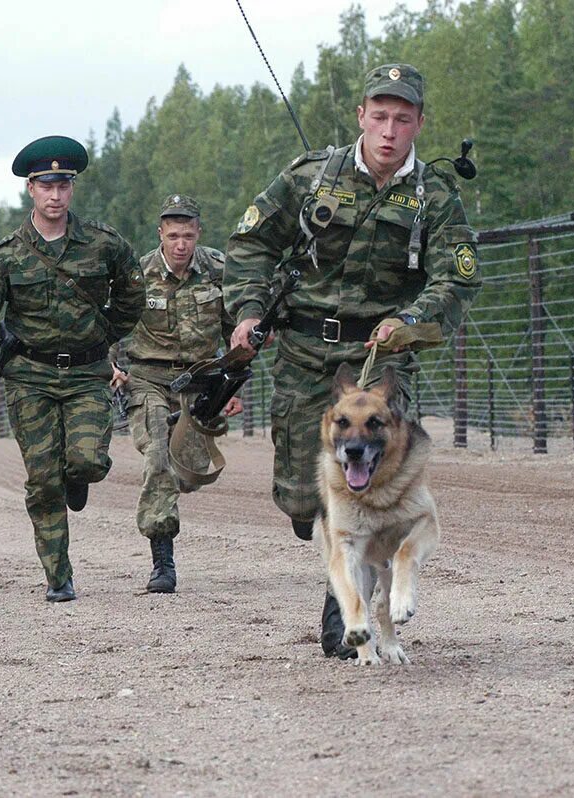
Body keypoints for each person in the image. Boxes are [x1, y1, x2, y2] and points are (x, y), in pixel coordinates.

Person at [223, 64, 482, 658]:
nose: (390, 130)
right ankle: (322, 527)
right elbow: (251, 244)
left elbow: (457, 279)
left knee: (367, 484)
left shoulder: (435, 198)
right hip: (304, 354)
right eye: (380, 115)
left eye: (403, 118)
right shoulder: (313, 176)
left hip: (380, 362)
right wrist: (247, 309)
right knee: (300, 495)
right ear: (361, 115)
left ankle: (345, 612)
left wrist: (411, 323)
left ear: (418, 123)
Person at [0, 135, 144, 603]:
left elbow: (133, 295)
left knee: (87, 460)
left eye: (63, 185)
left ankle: (78, 475)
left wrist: (103, 337)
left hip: (85, 375)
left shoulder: (103, 245)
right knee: (42, 479)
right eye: (45, 185)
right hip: (29, 378)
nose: (55, 195)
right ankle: (58, 575)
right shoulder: (8, 256)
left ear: (71, 189)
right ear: (30, 190)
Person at [109, 194, 241, 594]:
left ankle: (176, 470)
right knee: (157, 457)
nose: (181, 244)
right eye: (173, 236)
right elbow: (112, 323)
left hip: (200, 381)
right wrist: (112, 365)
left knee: (189, 472)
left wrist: (233, 384)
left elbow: (235, 331)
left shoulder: (218, 269)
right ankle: (162, 558)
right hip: (148, 378)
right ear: (160, 235)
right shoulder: (138, 274)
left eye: (187, 235)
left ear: (198, 233)